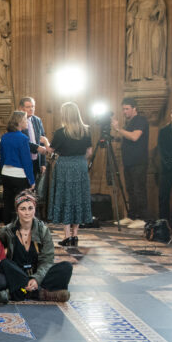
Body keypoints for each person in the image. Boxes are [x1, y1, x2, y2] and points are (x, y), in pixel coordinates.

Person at [0, 191, 73, 302]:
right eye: (23, 209)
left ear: (35, 209)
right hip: (18, 274)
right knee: (5, 265)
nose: (27, 213)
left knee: (66, 267)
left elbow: (47, 260)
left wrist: (36, 279)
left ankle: (26, 292)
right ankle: (40, 293)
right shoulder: (7, 231)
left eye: (30, 208)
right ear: (17, 211)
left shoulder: (43, 230)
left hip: (38, 275)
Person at [48, 102, 93, 246]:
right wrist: (79, 160)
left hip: (65, 166)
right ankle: (75, 235)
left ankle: (67, 236)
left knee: (65, 197)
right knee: (78, 197)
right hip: (81, 165)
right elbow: (89, 152)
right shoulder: (86, 130)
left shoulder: (61, 132)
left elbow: (51, 150)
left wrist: (44, 142)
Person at [111, 98, 150, 229]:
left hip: (139, 161)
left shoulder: (140, 120)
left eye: (127, 109)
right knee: (131, 190)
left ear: (134, 108)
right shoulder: (130, 122)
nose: (124, 111)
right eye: (123, 109)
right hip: (128, 162)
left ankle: (143, 218)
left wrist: (118, 129)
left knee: (139, 190)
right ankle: (132, 216)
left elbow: (134, 137)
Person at [0, 111, 35, 223]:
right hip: (19, 175)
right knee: (21, 204)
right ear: (19, 122)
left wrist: (2, 173)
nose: (26, 122)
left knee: (8, 204)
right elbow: (26, 161)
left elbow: (2, 158)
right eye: (25, 120)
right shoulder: (23, 138)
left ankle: (7, 230)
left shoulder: (4, 137)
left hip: (6, 173)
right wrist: (32, 180)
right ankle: (19, 229)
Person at [20, 96, 49, 181]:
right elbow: (21, 142)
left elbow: (42, 141)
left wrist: (43, 163)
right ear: (22, 108)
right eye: (28, 107)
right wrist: (36, 148)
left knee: (34, 187)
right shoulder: (18, 121)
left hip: (36, 160)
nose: (31, 109)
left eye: (33, 106)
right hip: (23, 160)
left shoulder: (37, 120)